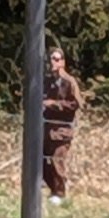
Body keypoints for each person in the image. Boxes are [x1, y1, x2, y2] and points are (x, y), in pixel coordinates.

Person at [40, 48, 81, 199]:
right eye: (51, 59)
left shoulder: (69, 82)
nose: (53, 62)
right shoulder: (47, 81)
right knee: (41, 162)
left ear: (63, 62)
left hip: (62, 131)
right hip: (46, 130)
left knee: (58, 161)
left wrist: (53, 104)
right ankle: (53, 190)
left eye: (57, 59)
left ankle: (60, 194)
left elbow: (75, 104)